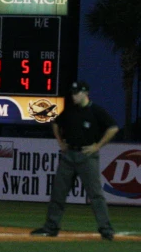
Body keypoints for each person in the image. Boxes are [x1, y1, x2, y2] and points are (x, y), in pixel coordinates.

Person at [31, 80, 119, 241]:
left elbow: (113, 127)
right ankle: (51, 227)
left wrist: (98, 146)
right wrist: (60, 142)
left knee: (96, 194)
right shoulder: (70, 111)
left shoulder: (95, 111)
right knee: (58, 193)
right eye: (72, 93)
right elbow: (56, 124)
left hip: (87, 156)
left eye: (76, 93)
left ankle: (106, 229)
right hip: (69, 155)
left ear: (85, 93)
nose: (73, 96)